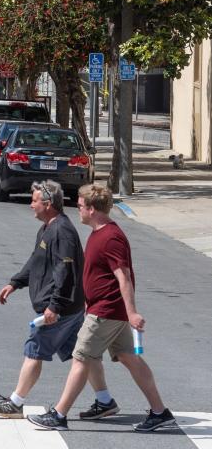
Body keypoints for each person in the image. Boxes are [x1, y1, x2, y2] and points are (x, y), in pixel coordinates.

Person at [29, 182, 174, 432]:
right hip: (106, 309)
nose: (78, 209)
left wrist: (131, 312)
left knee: (80, 358)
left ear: (93, 209)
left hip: (106, 311)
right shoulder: (100, 233)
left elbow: (124, 277)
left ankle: (59, 415)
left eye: (82, 206)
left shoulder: (111, 237)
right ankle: (159, 412)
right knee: (130, 358)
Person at [0, 180, 112, 418]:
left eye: (34, 201)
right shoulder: (48, 228)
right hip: (69, 306)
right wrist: (15, 283)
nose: (31, 205)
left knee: (34, 348)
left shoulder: (61, 231)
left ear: (48, 204)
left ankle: (15, 403)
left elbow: (65, 272)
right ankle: (105, 400)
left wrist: (54, 306)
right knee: (84, 353)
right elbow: (37, 261)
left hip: (60, 308)